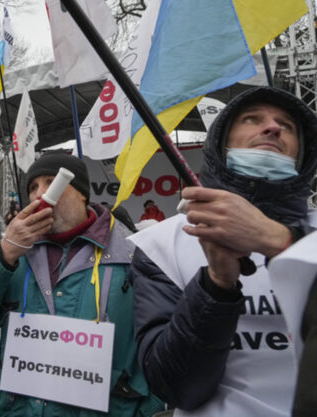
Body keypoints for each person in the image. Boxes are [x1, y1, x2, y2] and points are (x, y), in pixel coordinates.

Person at [130, 86, 317, 415]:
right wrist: (215, 284)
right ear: (221, 143)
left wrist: (281, 241)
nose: (273, 127)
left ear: (303, 152)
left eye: (287, 125)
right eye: (252, 119)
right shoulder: (161, 245)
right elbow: (177, 388)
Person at [0, 151, 163, 416]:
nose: (40, 194)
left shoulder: (131, 255)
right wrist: (4, 252)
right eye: (33, 187)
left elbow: (162, 347)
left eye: (51, 182)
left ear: (82, 194)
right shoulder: (15, 253)